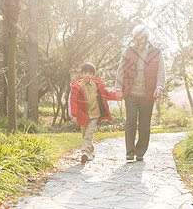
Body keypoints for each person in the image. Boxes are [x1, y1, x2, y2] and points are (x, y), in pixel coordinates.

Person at [115, 25, 166, 161]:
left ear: (146, 37)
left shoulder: (156, 52)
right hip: (131, 94)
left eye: (140, 38)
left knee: (144, 125)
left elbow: (161, 72)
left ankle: (140, 152)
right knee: (130, 122)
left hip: (147, 95)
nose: (137, 42)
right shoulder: (129, 51)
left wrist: (159, 87)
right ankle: (130, 151)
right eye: (135, 39)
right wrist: (118, 88)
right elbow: (121, 71)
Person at [69, 62, 117, 163]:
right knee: (84, 134)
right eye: (85, 73)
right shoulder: (76, 87)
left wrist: (117, 96)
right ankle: (91, 152)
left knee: (89, 132)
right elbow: (73, 101)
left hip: (95, 113)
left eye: (90, 73)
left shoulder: (96, 85)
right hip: (83, 114)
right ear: (81, 74)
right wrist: (74, 115)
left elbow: (106, 94)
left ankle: (84, 152)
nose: (87, 75)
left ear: (93, 75)